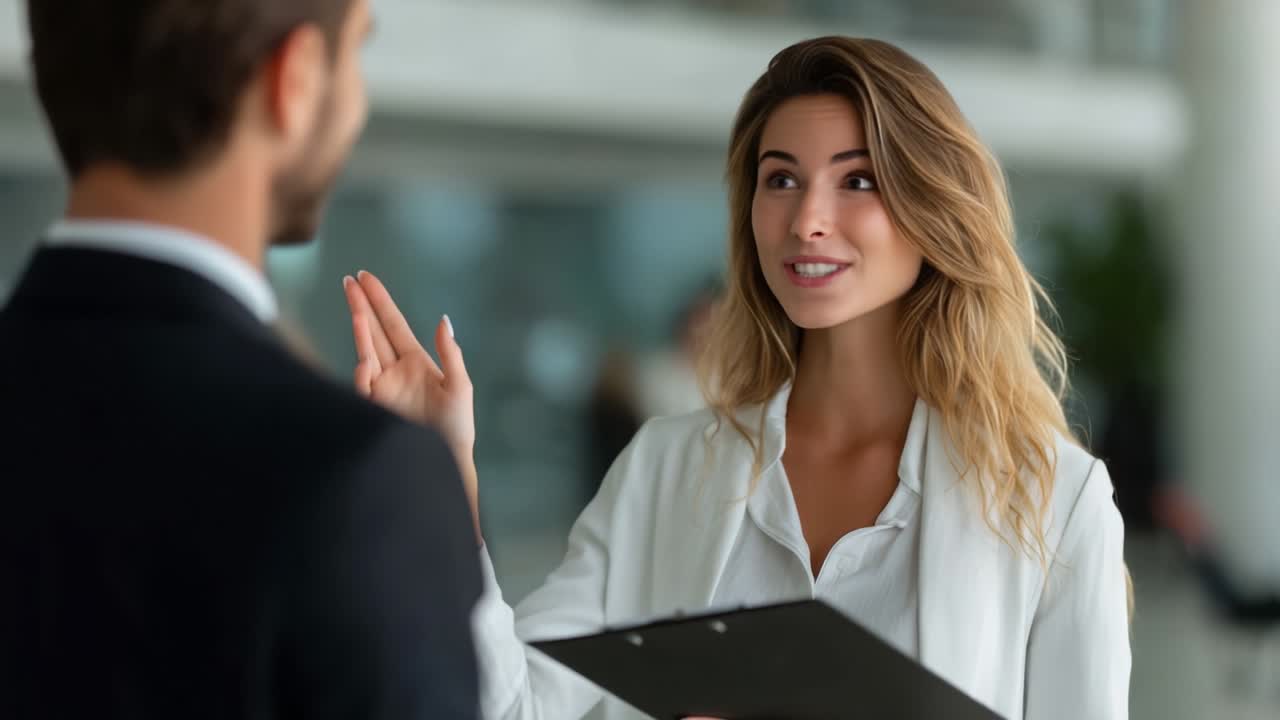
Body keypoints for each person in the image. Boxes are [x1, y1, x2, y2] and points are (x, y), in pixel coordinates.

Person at [343, 36, 1131, 720]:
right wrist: (445, 478)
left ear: (936, 210)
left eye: (857, 180)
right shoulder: (667, 467)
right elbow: (506, 705)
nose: (805, 218)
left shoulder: (1055, 502)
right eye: (780, 178)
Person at [0, 1, 481, 718]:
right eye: (355, 54)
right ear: (295, 80)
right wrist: (432, 511)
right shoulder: (361, 484)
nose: (359, 103)